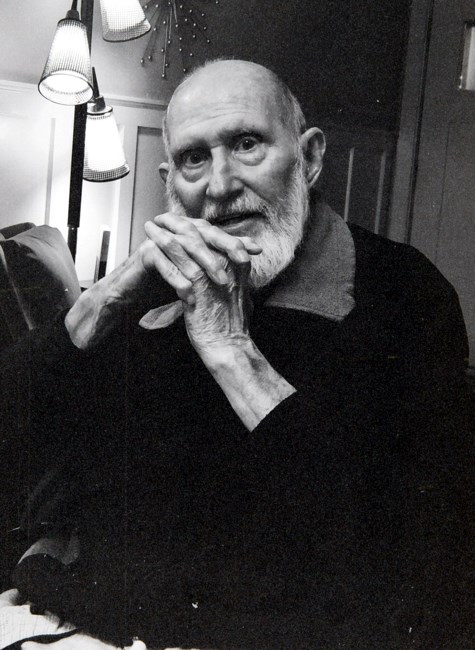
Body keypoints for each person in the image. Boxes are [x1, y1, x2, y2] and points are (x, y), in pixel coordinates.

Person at [0, 59, 473, 650]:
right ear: (171, 183)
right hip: (111, 620)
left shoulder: (406, 292)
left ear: (309, 158)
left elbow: (396, 548)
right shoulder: (152, 288)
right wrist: (97, 305)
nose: (220, 185)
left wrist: (231, 351)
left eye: (247, 144)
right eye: (194, 159)